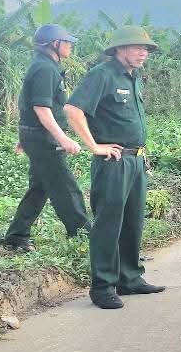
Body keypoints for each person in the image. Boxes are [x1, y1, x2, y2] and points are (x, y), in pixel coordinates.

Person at [64, 26, 166, 309]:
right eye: (137, 47)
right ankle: (102, 286)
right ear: (119, 49)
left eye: (146, 48)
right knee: (109, 224)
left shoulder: (133, 77)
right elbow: (73, 110)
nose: (143, 52)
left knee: (133, 221)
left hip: (135, 160)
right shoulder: (103, 74)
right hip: (113, 162)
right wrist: (94, 146)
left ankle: (129, 278)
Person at [3, 24, 90, 253]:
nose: (70, 45)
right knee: (65, 186)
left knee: (40, 188)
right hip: (43, 137)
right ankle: (85, 237)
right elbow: (41, 108)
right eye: (67, 41)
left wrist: (27, 135)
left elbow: (29, 104)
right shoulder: (44, 68)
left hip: (37, 135)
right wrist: (62, 139)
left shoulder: (46, 66)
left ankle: (16, 236)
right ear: (55, 43)